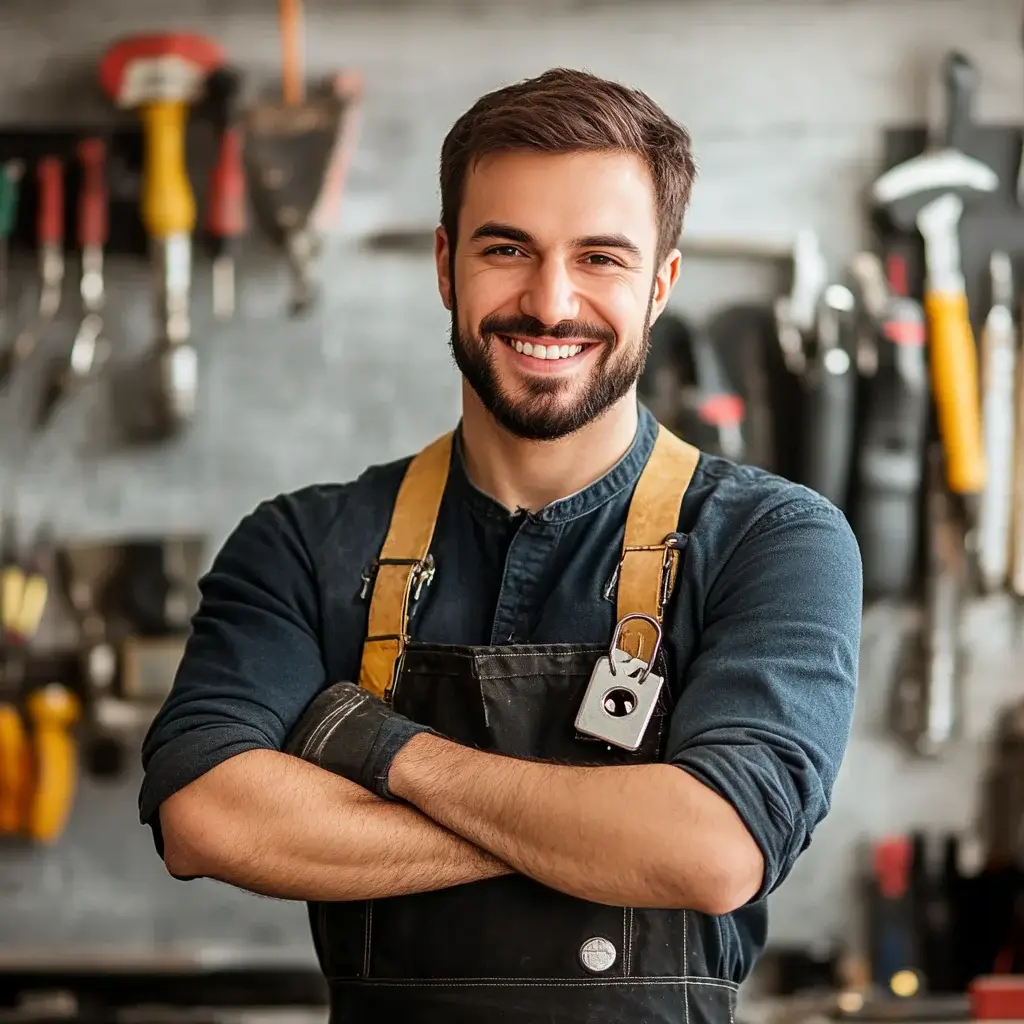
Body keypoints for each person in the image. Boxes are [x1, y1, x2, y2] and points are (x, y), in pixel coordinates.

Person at [139, 68, 862, 1024]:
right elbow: (204, 816)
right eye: (508, 248)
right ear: (446, 265)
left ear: (661, 285)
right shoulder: (302, 544)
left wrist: (387, 752)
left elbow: (715, 850)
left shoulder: (773, 541)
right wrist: (605, 831)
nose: (550, 302)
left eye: (600, 257)